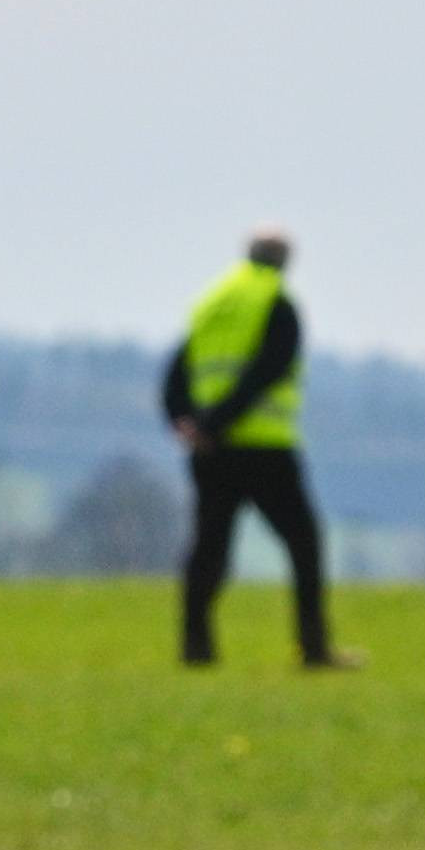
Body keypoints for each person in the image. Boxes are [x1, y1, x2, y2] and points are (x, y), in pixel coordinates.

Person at [163, 229, 355, 669]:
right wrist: (219, 420)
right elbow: (270, 368)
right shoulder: (276, 301)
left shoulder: (212, 302)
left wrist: (188, 422)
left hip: (211, 452)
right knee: (304, 543)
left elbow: (176, 372)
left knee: (209, 548)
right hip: (265, 448)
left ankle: (196, 649)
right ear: (285, 260)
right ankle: (313, 647)